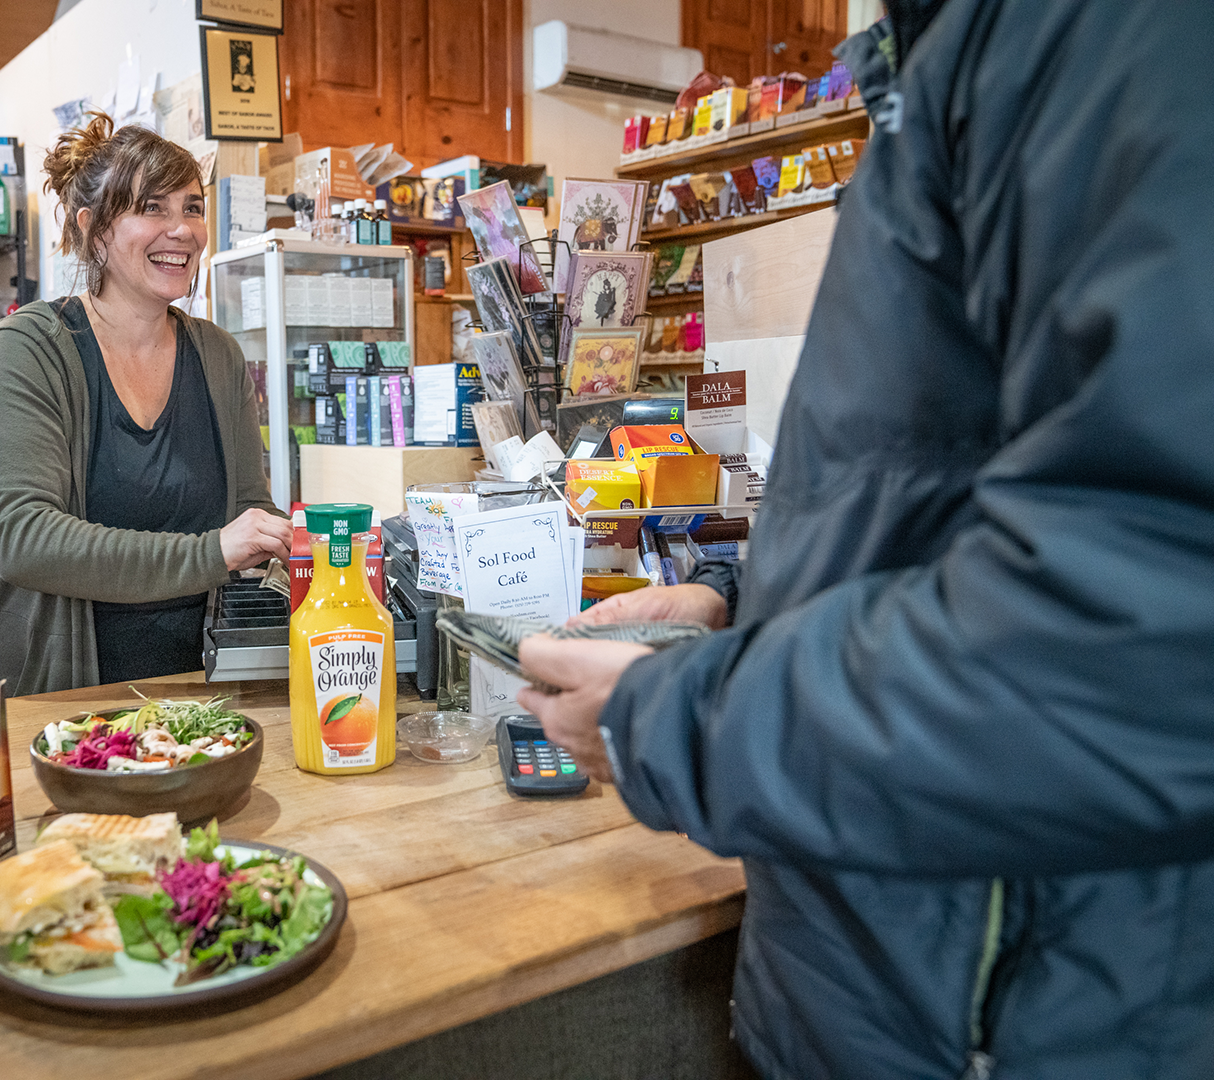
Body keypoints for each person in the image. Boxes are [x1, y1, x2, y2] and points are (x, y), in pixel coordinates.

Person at [517, 2, 1214, 1079]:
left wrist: (682, 719)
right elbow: (955, 492)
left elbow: (1141, 640)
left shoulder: (1104, 36)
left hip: (1020, 1019)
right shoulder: (959, 51)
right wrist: (735, 607)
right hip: (887, 989)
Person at [0, 111, 291, 696]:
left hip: (197, 689)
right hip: (60, 690)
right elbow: (24, 540)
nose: (182, 229)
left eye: (191, 207)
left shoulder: (217, 355)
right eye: (152, 208)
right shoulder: (29, 350)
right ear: (93, 231)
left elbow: (248, 508)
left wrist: (299, 541)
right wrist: (213, 551)